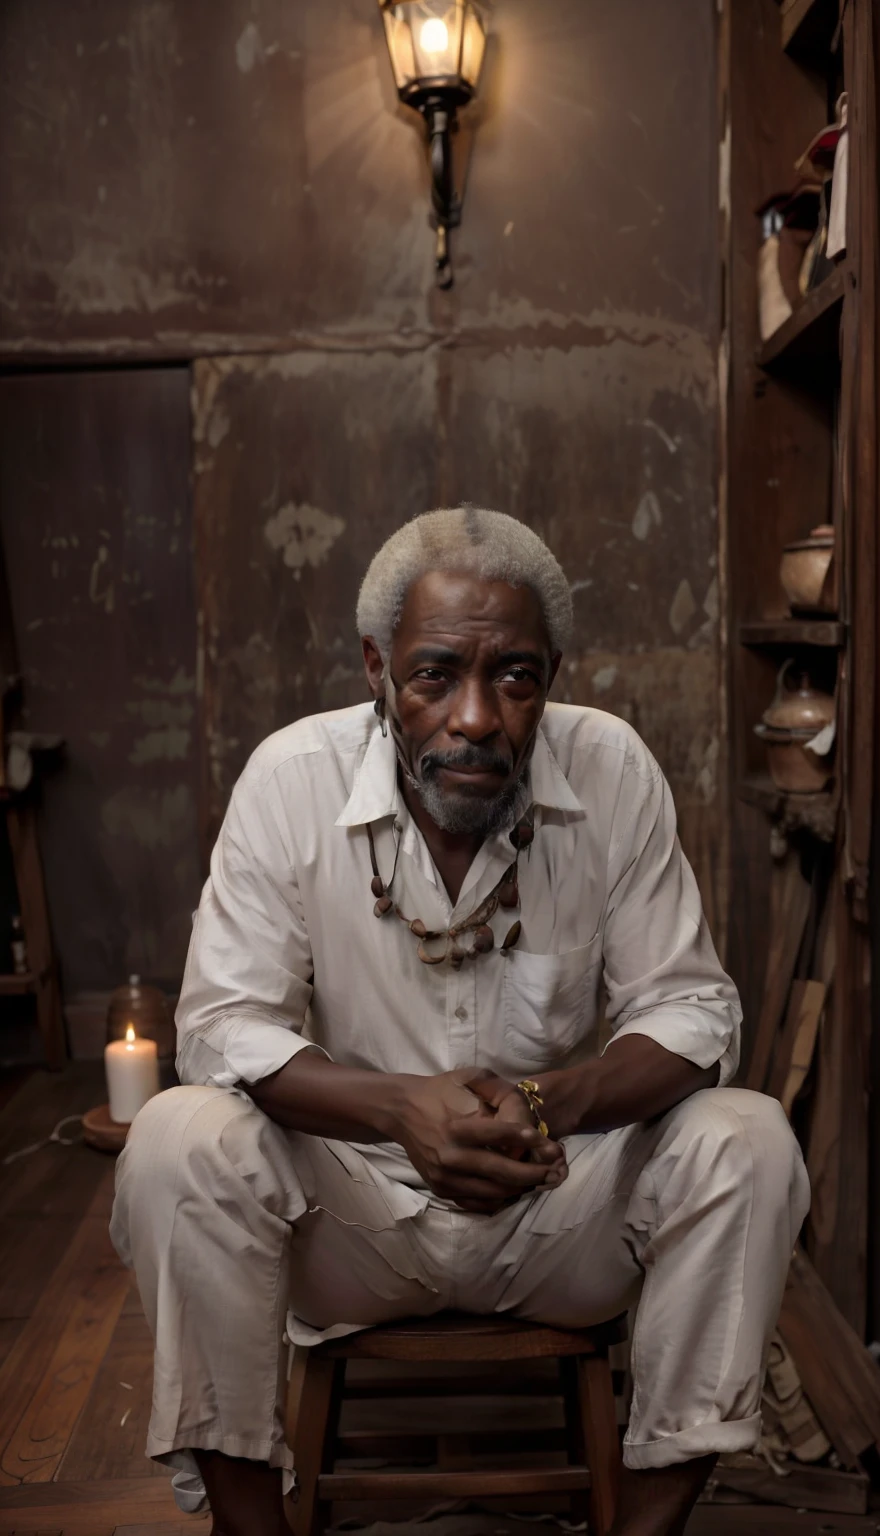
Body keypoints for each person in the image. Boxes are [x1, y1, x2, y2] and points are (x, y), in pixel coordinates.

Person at [111, 506, 809, 1536]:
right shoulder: (291, 780)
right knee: (177, 1136)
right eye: (436, 674)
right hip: (353, 1224)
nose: (477, 717)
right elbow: (224, 1026)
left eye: (515, 677)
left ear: (552, 676)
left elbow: (693, 1008)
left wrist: (548, 1100)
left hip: (554, 1208)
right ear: (376, 670)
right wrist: (400, 1112)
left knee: (747, 1138)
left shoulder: (610, 771)